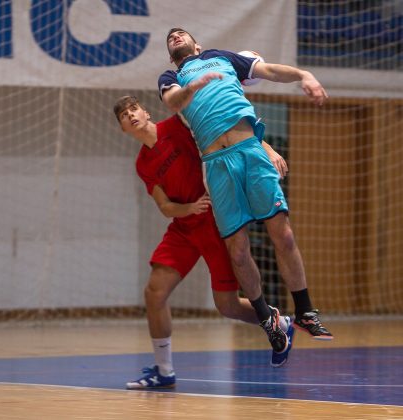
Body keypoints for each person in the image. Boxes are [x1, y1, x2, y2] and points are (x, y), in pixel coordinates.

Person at [158, 28, 333, 355]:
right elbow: (172, 101)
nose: (176, 35)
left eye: (181, 33)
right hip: (216, 164)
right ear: (171, 56)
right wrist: (192, 87)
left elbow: (269, 71)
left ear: (198, 45)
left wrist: (304, 75)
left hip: (250, 152)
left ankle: (305, 312)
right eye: (171, 37)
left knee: (284, 235)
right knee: (238, 252)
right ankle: (267, 318)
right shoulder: (172, 78)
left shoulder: (221, 58)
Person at [113, 96, 295, 390]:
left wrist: (265, 146)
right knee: (154, 292)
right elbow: (165, 206)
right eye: (124, 115)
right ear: (123, 128)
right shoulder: (143, 164)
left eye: (133, 109)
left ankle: (280, 322)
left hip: (214, 220)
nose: (130, 115)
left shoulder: (176, 125)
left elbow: (221, 127)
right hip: (184, 227)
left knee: (227, 306)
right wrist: (188, 209)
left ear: (146, 112)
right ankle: (164, 370)